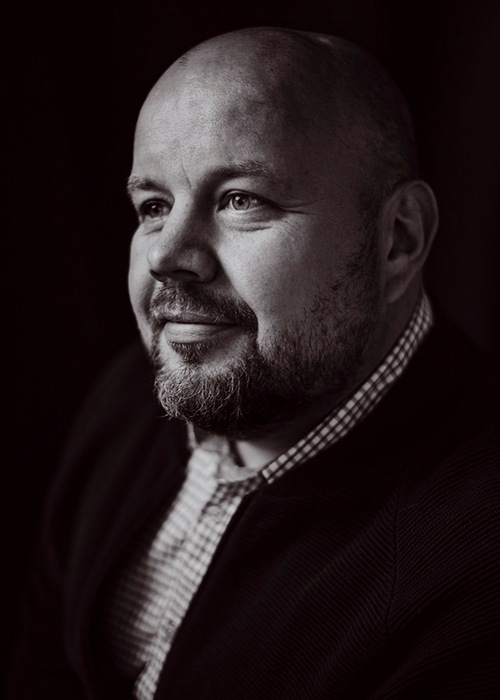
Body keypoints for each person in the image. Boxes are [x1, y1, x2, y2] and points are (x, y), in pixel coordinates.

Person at [8, 26, 500, 699]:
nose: (167, 255)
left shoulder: (475, 571)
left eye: (241, 200)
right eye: (153, 206)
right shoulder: (125, 401)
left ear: (397, 240)